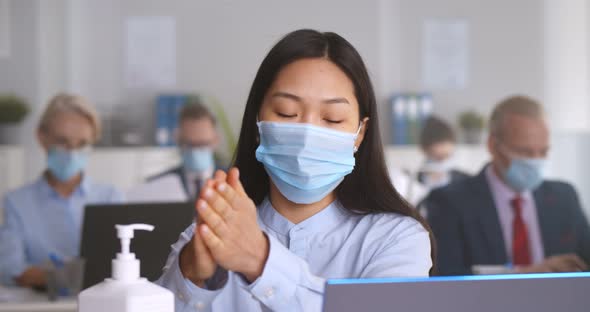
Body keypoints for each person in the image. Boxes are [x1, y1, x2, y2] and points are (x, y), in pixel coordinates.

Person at [157, 29, 433, 311]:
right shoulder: (212, 232)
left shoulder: (395, 238)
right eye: (287, 113)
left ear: (360, 134)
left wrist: (260, 260)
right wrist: (189, 277)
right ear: (257, 124)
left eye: (333, 119)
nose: (307, 133)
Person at [426, 95, 590, 276]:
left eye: (543, 151)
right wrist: (525, 272)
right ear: (493, 146)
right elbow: (446, 276)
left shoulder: (564, 197)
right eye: (524, 151)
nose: (535, 161)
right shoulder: (451, 202)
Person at [0, 93, 124, 287]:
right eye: (62, 141)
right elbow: (11, 269)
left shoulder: (110, 197)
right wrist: (66, 279)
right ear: (42, 137)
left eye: (81, 144)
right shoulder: (16, 202)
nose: (72, 152)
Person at [149, 99, 225, 199]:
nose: (196, 151)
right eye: (189, 144)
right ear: (178, 140)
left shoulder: (234, 183)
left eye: (203, 144)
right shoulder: (157, 185)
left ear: (216, 140)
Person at [417, 116, 469, 190]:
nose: (442, 162)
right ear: (424, 150)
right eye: (438, 157)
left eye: (447, 156)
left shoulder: (464, 179)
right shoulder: (414, 180)